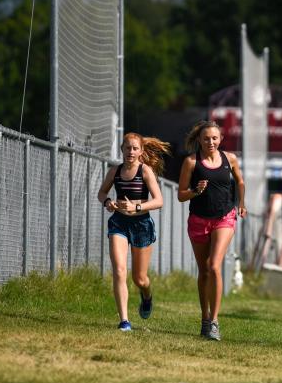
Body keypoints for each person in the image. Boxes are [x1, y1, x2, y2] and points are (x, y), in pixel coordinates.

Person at [177, 120, 246, 341]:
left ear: (221, 139)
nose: (211, 142)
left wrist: (241, 203)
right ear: (199, 140)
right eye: (206, 138)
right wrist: (196, 191)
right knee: (204, 271)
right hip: (198, 220)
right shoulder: (191, 162)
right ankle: (205, 318)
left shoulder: (230, 159)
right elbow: (181, 195)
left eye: (215, 138)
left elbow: (240, 182)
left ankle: (215, 321)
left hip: (224, 217)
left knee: (214, 265)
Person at [97, 132, 170, 332]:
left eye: (135, 148)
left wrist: (136, 207)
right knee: (120, 270)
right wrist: (108, 202)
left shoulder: (145, 171)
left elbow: (159, 200)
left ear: (141, 152)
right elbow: (102, 192)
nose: (131, 151)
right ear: (121, 149)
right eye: (127, 148)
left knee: (140, 278)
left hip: (141, 225)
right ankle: (124, 321)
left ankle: (147, 296)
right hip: (119, 223)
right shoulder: (115, 171)